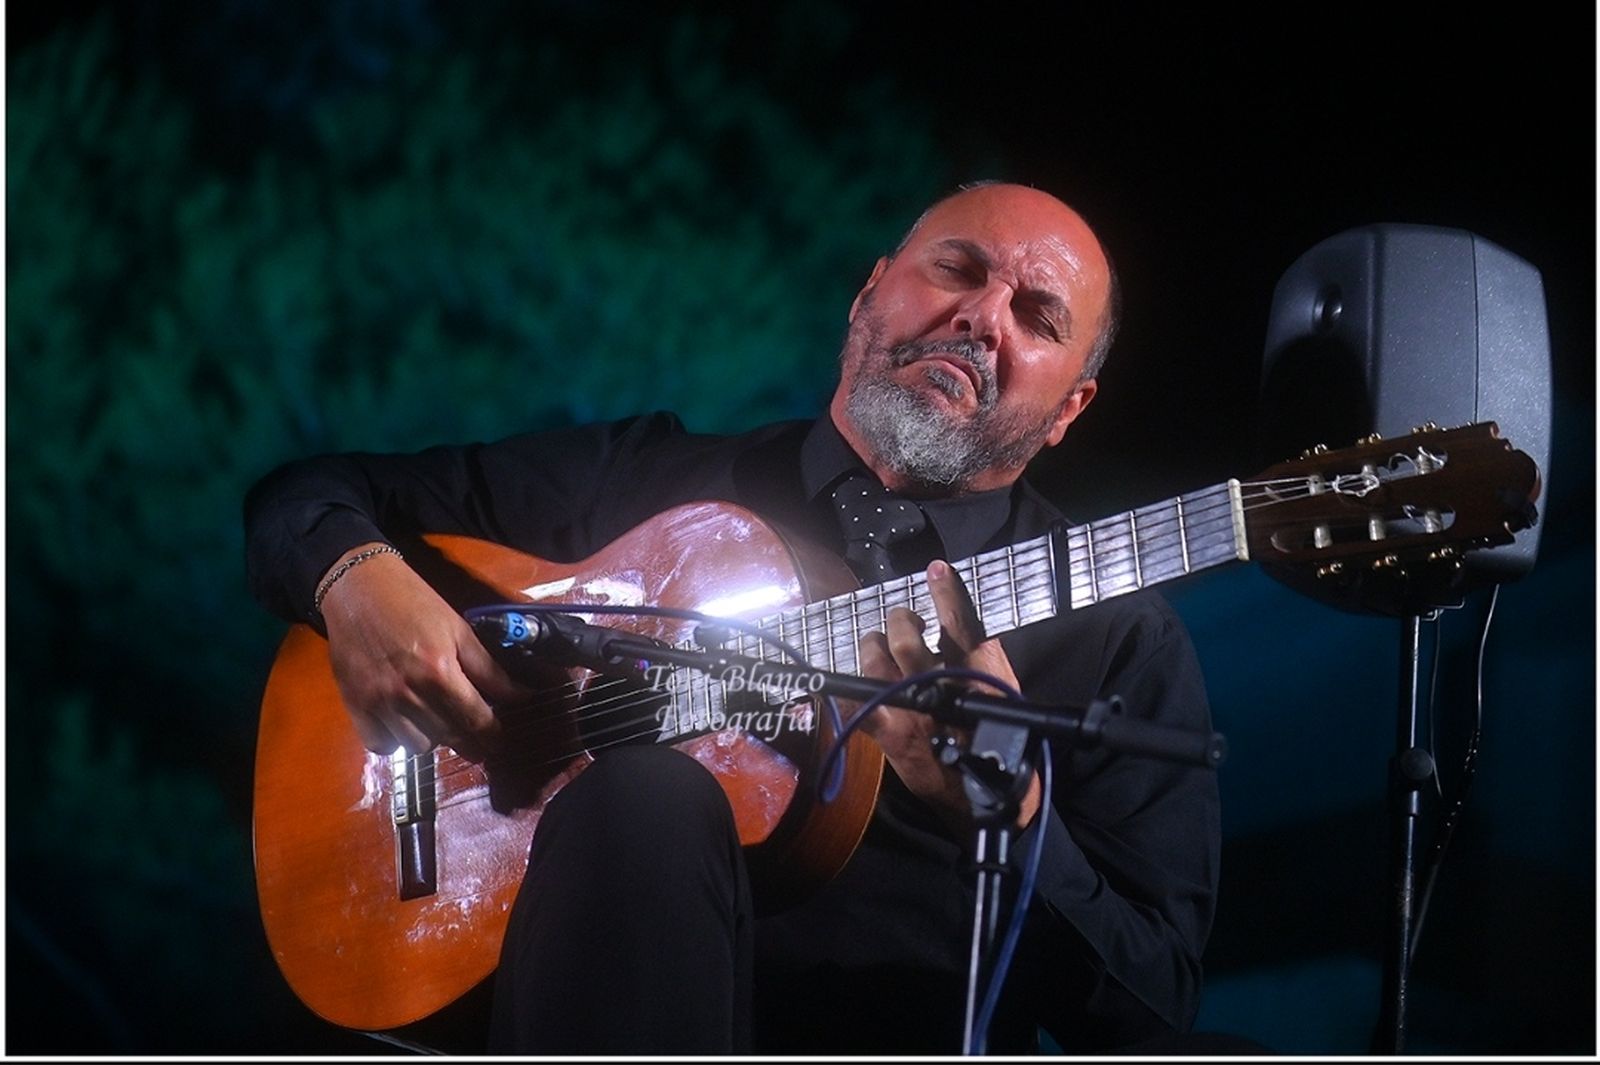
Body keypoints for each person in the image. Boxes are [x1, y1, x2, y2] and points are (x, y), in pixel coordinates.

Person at [244, 181, 1222, 1054]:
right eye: (956, 269)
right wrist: (355, 579)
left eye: (1036, 316)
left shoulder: (1119, 639)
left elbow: (1150, 1004)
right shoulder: (645, 477)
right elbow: (308, 495)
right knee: (648, 799)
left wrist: (1008, 814)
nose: (980, 317)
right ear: (868, 294)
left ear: (1068, 408)